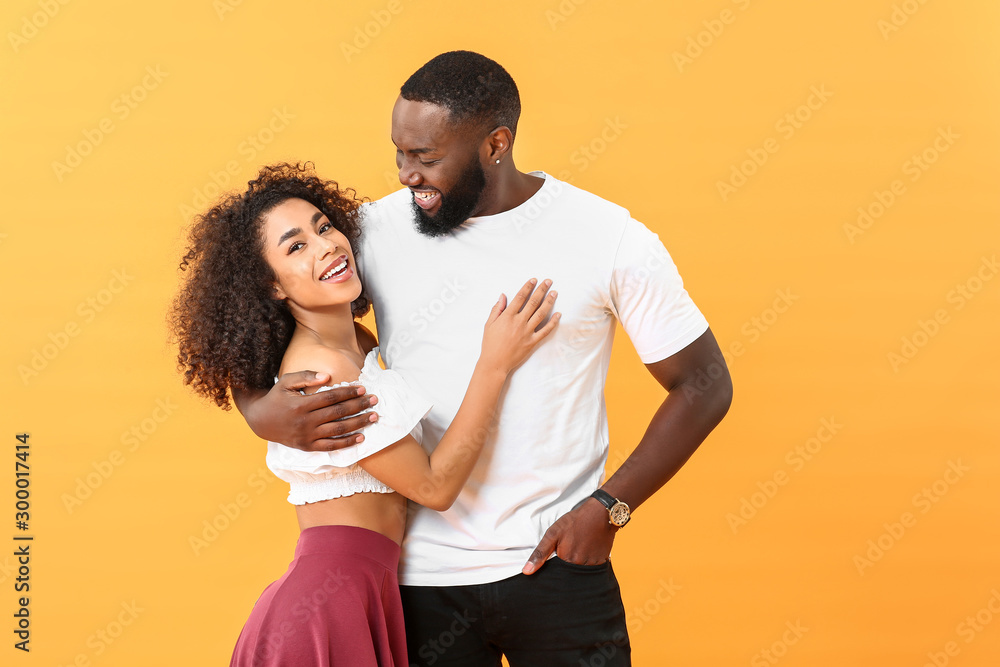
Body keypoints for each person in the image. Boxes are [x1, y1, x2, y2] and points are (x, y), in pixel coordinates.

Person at [234, 51, 733, 666]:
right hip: (417, 584)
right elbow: (262, 313)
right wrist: (259, 410)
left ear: (496, 144)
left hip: (555, 567)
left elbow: (704, 384)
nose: (405, 175)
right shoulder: (370, 233)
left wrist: (611, 508)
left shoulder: (609, 237)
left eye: (426, 158)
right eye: (399, 153)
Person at [169, 161, 560, 666]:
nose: (326, 245)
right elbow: (434, 488)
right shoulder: (323, 373)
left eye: (323, 226)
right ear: (272, 287)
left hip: (370, 591)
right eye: (296, 246)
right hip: (326, 605)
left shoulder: (356, 341)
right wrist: (495, 363)